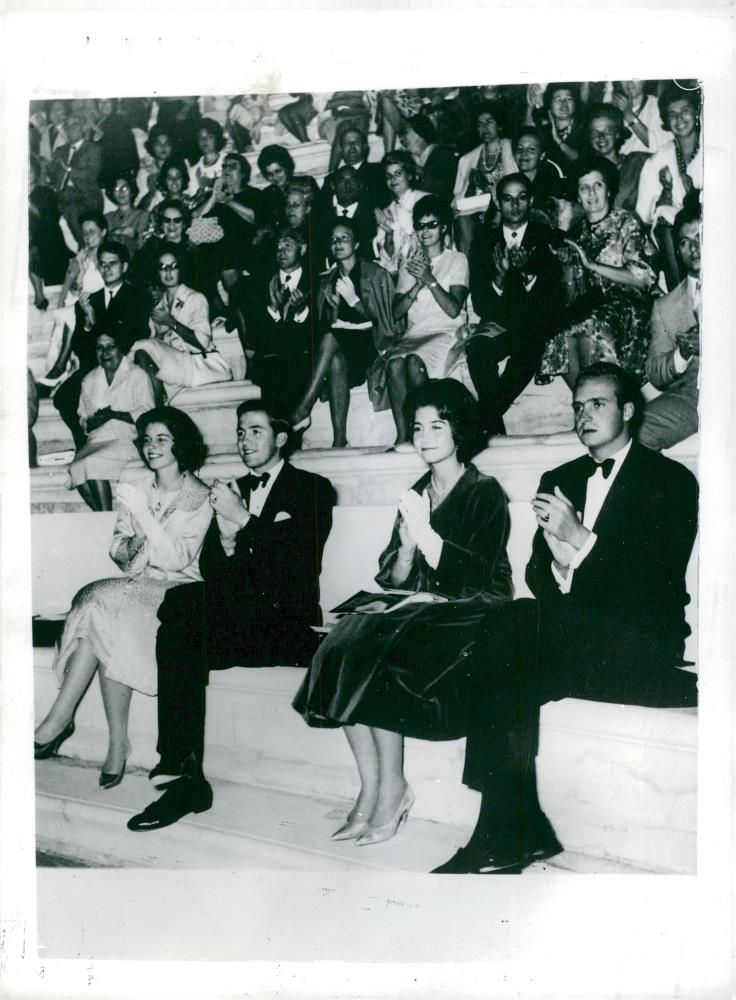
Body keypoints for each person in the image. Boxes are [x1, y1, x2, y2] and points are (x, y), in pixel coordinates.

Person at [432, 363, 698, 873]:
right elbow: (537, 571)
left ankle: (513, 829)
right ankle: (507, 829)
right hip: (578, 640)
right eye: (577, 407)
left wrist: (579, 541)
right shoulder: (560, 478)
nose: (584, 415)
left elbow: (654, 584)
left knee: (507, 659)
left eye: (597, 404)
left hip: (638, 647)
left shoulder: (671, 480)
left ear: (627, 410)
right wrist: (559, 562)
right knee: (508, 626)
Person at [293, 380, 512, 846]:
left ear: (460, 430)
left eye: (438, 425)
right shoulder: (416, 492)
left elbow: (476, 578)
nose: (426, 435)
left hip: (473, 609)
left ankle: (393, 789)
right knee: (342, 641)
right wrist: (409, 550)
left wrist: (429, 541)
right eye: (418, 427)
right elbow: (392, 578)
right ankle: (370, 788)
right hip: (421, 607)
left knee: (378, 650)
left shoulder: (484, 492)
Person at [126, 400, 335, 831]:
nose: (244, 441)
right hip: (243, 623)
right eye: (240, 432)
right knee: (182, 607)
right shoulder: (230, 488)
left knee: (183, 621)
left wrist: (242, 518)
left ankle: (180, 769)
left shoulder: (312, 488)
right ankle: (184, 774)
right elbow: (212, 574)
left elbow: (297, 566)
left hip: (288, 626)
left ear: (281, 438)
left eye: (256, 431)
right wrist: (226, 536)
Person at [34, 407, 211, 789]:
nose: (152, 447)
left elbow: (178, 559)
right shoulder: (139, 489)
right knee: (101, 612)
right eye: (147, 439)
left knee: (99, 604)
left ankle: (60, 720)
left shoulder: (200, 495)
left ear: (181, 443)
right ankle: (113, 741)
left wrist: (144, 521)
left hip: (179, 594)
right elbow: (118, 551)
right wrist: (136, 536)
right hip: (139, 587)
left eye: (162, 439)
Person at [537, 155, 656, 389]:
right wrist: (566, 269)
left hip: (629, 305)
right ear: (578, 194)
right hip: (591, 304)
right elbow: (573, 294)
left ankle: (603, 398)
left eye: (597, 185)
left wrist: (593, 265)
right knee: (557, 327)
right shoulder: (575, 231)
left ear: (609, 190)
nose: (591, 193)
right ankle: (584, 402)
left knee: (591, 323)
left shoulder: (627, 222)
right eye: (584, 188)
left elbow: (643, 279)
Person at [467, 173, 564, 434]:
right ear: (498, 203)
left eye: (522, 198)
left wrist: (526, 273)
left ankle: (485, 420)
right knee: (477, 349)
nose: (515, 205)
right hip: (498, 322)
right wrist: (499, 277)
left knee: (528, 349)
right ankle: (493, 424)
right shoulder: (482, 244)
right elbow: (479, 304)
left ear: (531, 200)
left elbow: (554, 300)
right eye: (508, 199)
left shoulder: (549, 238)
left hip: (534, 323)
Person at [290, 220, 399, 447]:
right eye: (334, 239)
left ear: (357, 243)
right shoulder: (327, 280)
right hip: (346, 346)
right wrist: (337, 308)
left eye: (344, 238)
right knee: (336, 360)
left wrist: (355, 301)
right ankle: (340, 438)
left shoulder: (376, 273)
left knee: (331, 339)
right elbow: (329, 324)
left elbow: (386, 322)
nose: (338, 243)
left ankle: (303, 408)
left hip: (373, 343)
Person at [386, 196, 470, 443]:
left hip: (445, 330)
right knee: (394, 364)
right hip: (415, 334)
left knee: (414, 362)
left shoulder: (457, 260)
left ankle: (427, 432)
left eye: (432, 224)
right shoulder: (408, 265)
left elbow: (453, 310)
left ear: (443, 227)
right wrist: (415, 286)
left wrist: (430, 279)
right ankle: (403, 437)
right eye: (420, 226)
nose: (425, 231)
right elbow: (397, 312)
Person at [68, 327, 156, 511]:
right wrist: (92, 422)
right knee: (75, 468)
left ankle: (104, 519)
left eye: (111, 347)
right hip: (97, 440)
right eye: (100, 348)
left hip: (126, 439)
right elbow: (83, 417)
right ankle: (106, 520)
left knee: (90, 464)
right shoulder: (89, 380)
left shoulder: (137, 375)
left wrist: (115, 415)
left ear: (121, 348)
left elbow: (149, 413)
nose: (105, 353)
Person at [129, 247, 231, 402]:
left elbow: (201, 342)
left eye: (173, 266)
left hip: (195, 363)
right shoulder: (159, 305)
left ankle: (156, 406)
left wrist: (170, 322)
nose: (168, 272)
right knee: (139, 353)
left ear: (181, 270)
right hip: (174, 366)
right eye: (163, 268)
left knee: (141, 347)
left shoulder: (195, 298)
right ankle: (154, 403)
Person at [638, 203, 700, 450]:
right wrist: (682, 354)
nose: (693, 248)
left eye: (700, 237)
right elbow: (654, 371)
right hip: (693, 398)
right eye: (684, 242)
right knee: (636, 431)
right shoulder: (665, 306)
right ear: (677, 251)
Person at [246, 229, 316, 412]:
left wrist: (302, 310)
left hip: (303, 357)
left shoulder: (315, 282)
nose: (281, 251)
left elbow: (318, 332)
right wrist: (273, 310)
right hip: (271, 360)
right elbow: (254, 337)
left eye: (288, 246)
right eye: (278, 247)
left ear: (302, 249)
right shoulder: (262, 283)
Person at [452, 101, 518, 252]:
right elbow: (459, 198)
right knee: (462, 219)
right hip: (479, 209)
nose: (484, 128)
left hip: (507, 205)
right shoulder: (468, 159)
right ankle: (466, 270)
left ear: (499, 125)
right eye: (480, 124)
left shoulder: (511, 148)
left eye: (489, 122)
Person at [635, 85, 703, 228]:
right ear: (666, 120)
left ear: (697, 113)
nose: (679, 119)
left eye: (685, 111)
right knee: (663, 213)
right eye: (672, 114)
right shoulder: (659, 159)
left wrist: (694, 195)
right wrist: (666, 194)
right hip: (675, 233)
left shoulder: (713, 151)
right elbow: (644, 212)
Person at [47, 112, 103, 244]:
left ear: (84, 127)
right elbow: (52, 175)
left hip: (85, 196)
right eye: (67, 126)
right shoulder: (60, 151)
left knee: (72, 208)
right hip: (60, 195)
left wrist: (69, 169)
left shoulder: (93, 149)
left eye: (75, 124)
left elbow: (91, 175)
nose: (70, 128)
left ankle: (86, 247)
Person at [583, 103, 648, 214]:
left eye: (608, 131)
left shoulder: (636, 163)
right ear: (589, 138)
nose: (601, 137)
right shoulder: (583, 171)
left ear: (617, 134)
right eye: (595, 133)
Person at [374, 150, 430, 274]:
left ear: (409, 175)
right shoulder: (387, 211)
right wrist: (389, 234)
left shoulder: (426, 199)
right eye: (388, 176)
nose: (392, 179)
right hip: (400, 269)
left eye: (398, 173)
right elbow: (389, 257)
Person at [28, 154, 71, 307]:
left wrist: (26, 203)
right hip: (26, 239)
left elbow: (48, 220)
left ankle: (39, 296)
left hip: (47, 237)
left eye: (30, 171)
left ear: (36, 173)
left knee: (31, 248)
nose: (26, 175)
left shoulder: (45, 193)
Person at [319, 126, 389, 211]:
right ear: (341, 149)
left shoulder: (378, 171)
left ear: (365, 147)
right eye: (347, 143)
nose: (352, 146)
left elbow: (381, 202)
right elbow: (322, 209)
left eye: (356, 142)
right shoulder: (331, 178)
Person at [400, 114, 457, 203]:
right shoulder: (408, 162)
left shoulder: (443, 156)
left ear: (420, 129)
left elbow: (442, 191)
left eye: (405, 132)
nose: (401, 139)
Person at [513, 127, 564, 224]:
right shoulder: (508, 184)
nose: (524, 153)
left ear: (542, 155)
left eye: (531, 150)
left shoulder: (553, 186)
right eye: (520, 149)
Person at [533, 83, 584, 175]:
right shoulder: (543, 131)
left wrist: (558, 141)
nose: (564, 104)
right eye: (558, 99)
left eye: (569, 99)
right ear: (550, 106)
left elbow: (582, 161)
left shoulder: (583, 128)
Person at [611, 80, 671, 156]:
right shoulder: (612, 108)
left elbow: (662, 146)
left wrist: (629, 115)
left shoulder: (658, 106)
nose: (629, 82)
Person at [104, 173, 149, 255]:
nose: (121, 192)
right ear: (112, 194)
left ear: (131, 191)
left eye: (124, 188)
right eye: (116, 189)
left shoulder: (142, 215)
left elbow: (142, 245)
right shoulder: (107, 218)